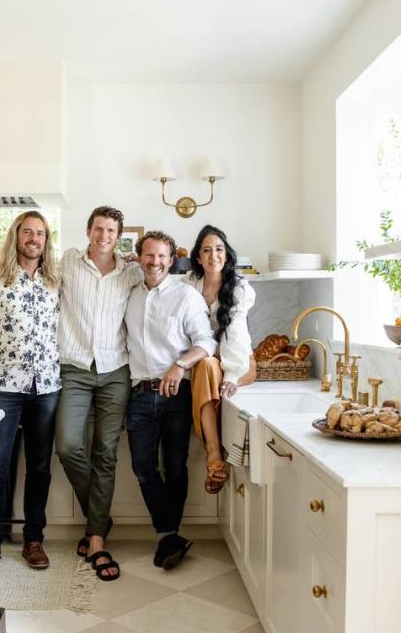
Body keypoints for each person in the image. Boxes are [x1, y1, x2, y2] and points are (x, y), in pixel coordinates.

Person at [56, 205, 142, 581]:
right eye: (99, 229)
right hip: (73, 367)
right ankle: (101, 517)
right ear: (88, 230)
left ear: (119, 236)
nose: (104, 236)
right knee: (67, 444)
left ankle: (95, 539)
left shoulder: (132, 271)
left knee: (106, 452)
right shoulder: (67, 263)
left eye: (111, 231)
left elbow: (164, 282)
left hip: (115, 371)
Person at [0, 210, 60, 570]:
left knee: (40, 465)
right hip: (4, 385)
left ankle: (33, 538)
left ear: (45, 240)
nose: (34, 238)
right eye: (28, 232)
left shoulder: (55, 281)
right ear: (16, 236)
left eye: (40, 233)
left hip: (47, 386)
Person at [125, 231, 217, 570]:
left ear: (171, 259)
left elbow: (207, 342)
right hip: (138, 394)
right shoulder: (131, 294)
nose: (155, 262)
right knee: (142, 467)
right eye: (149, 255)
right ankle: (170, 535)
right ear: (139, 257)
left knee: (175, 468)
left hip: (178, 394)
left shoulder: (186, 296)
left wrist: (180, 365)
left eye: (162, 256)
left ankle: (169, 535)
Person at [187, 225, 257, 493]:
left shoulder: (240, 289)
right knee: (204, 365)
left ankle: (214, 455)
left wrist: (231, 376)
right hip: (207, 362)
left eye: (218, 250)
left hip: (239, 363)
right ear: (198, 257)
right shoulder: (189, 284)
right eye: (206, 250)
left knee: (206, 366)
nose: (213, 256)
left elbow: (235, 337)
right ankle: (216, 455)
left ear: (226, 256)